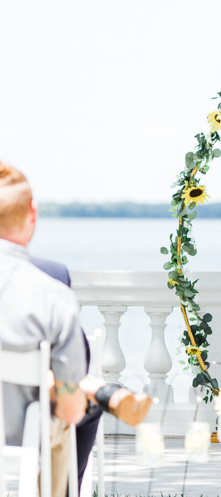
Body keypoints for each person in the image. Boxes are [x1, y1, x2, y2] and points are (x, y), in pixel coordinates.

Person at [29, 256, 152, 494]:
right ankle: (98, 391)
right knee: (76, 408)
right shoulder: (49, 274)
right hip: (32, 419)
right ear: (30, 219)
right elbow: (77, 361)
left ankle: (94, 389)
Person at [0, 162, 87, 497]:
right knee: (64, 419)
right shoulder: (53, 298)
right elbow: (70, 409)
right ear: (32, 214)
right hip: (22, 446)